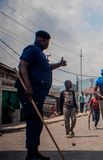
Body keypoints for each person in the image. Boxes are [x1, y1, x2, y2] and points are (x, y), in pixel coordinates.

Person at [15, 30, 66, 160]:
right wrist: (28, 86)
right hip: (31, 93)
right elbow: (22, 65)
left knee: (37, 121)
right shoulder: (32, 50)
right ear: (41, 40)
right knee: (34, 121)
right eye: (47, 41)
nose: (48, 43)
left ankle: (33, 152)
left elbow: (47, 67)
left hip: (38, 93)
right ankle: (31, 154)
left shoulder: (41, 55)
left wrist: (59, 64)